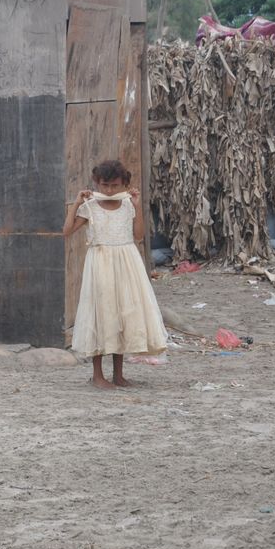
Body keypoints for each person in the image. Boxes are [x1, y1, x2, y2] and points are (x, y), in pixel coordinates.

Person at [62, 159, 167, 389]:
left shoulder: (129, 205)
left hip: (127, 263)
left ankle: (119, 374)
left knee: (122, 315)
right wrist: (76, 204)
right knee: (101, 315)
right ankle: (98, 375)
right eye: (104, 185)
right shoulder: (90, 207)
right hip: (100, 264)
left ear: (124, 185)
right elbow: (67, 231)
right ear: (97, 184)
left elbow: (138, 236)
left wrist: (138, 206)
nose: (109, 190)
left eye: (115, 186)